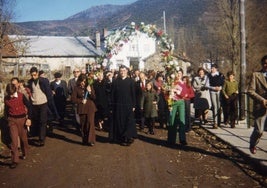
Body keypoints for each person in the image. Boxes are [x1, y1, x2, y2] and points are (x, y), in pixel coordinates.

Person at [4, 83, 32, 169]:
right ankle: (15, 160)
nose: (11, 96)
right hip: (12, 121)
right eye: (9, 94)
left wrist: (29, 119)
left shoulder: (21, 96)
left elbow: (29, 106)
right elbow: (6, 109)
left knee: (23, 139)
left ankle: (25, 152)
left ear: (15, 90)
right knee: (14, 141)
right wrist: (7, 119)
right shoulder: (6, 98)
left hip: (22, 120)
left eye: (12, 94)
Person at [109, 65, 137, 146]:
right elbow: (112, 94)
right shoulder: (115, 81)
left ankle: (128, 138)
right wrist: (111, 105)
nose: (122, 72)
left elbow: (133, 94)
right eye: (121, 71)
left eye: (124, 70)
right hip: (118, 105)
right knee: (119, 121)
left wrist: (134, 105)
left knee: (128, 122)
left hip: (128, 105)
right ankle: (120, 137)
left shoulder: (131, 81)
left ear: (127, 71)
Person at [27, 66, 54, 146]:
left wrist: (50, 103)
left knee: (43, 121)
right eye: (32, 75)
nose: (33, 77)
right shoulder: (30, 82)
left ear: (38, 74)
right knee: (37, 121)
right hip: (34, 104)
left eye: (35, 75)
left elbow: (48, 92)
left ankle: (41, 139)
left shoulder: (43, 81)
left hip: (43, 103)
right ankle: (38, 134)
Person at [247, 55, 267, 154]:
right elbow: (250, 91)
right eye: (264, 63)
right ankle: (252, 144)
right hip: (261, 107)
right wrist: (262, 100)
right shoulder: (256, 75)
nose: (266, 65)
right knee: (259, 131)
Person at [71, 74, 97, 146]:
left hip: (90, 107)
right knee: (83, 124)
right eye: (82, 81)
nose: (83, 83)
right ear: (79, 81)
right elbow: (73, 99)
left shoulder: (89, 86)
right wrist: (81, 101)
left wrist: (90, 91)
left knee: (90, 123)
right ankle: (85, 140)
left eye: (84, 81)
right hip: (82, 108)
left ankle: (91, 140)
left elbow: (94, 97)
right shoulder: (76, 88)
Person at [167, 69, 187, 145]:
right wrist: (169, 104)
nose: (179, 75)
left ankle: (182, 139)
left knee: (182, 120)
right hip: (173, 102)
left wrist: (177, 91)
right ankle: (171, 139)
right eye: (177, 73)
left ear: (182, 74)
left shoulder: (183, 83)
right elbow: (168, 93)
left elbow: (184, 94)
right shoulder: (172, 82)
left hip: (181, 102)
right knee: (172, 120)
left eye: (180, 73)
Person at [208, 64, 225, 129]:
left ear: (216, 69)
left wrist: (220, 88)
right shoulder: (209, 76)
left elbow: (223, 83)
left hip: (219, 92)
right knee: (214, 106)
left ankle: (219, 121)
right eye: (211, 68)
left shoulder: (220, 75)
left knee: (219, 106)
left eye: (213, 68)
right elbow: (207, 84)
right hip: (212, 91)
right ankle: (215, 122)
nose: (212, 69)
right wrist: (213, 88)